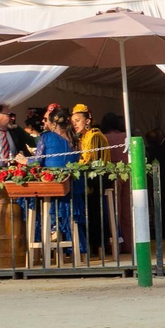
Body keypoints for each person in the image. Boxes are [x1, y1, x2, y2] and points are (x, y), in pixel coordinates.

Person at [20, 106, 87, 258]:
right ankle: (66, 240)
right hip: (71, 187)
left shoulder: (46, 137)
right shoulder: (75, 139)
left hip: (50, 187)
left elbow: (37, 161)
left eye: (47, 121)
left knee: (28, 201)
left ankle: (51, 230)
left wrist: (24, 161)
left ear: (54, 123)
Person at [72, 105, 112, 259]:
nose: (74, 124)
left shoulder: (94, 135)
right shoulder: (83, 136)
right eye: (73, 121)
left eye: (77, 120)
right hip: (89, 178)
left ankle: (97, 245)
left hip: (96, 180)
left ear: (87, 120)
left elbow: (89, 161)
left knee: (93, 208)